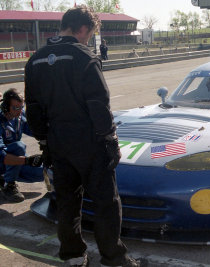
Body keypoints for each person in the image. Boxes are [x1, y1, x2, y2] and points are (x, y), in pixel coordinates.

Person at [24, 6, 143, 267]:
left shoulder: (36, 59)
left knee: (67, 201)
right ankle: (113, 258)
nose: (89, 39)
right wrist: (110, 140)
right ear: (83, 29)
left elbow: (32, 108)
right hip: (89, 141)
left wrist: (45, 142)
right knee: (106, 203)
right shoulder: (83, 56)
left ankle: (73, 255)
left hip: (57, 141)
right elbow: (98, 103)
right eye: (90, 34)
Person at [0, 88, 43, 202]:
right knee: (19, 146)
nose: (19, 111)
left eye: (21, 107)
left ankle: (4, 178)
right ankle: (9, 186)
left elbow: (35, 131)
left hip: (13, 163)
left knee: (43, 173)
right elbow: (2, 157)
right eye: (16, 108)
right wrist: (27, 161)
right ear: (5, 107)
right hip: (2, 161)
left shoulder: (19, 116)